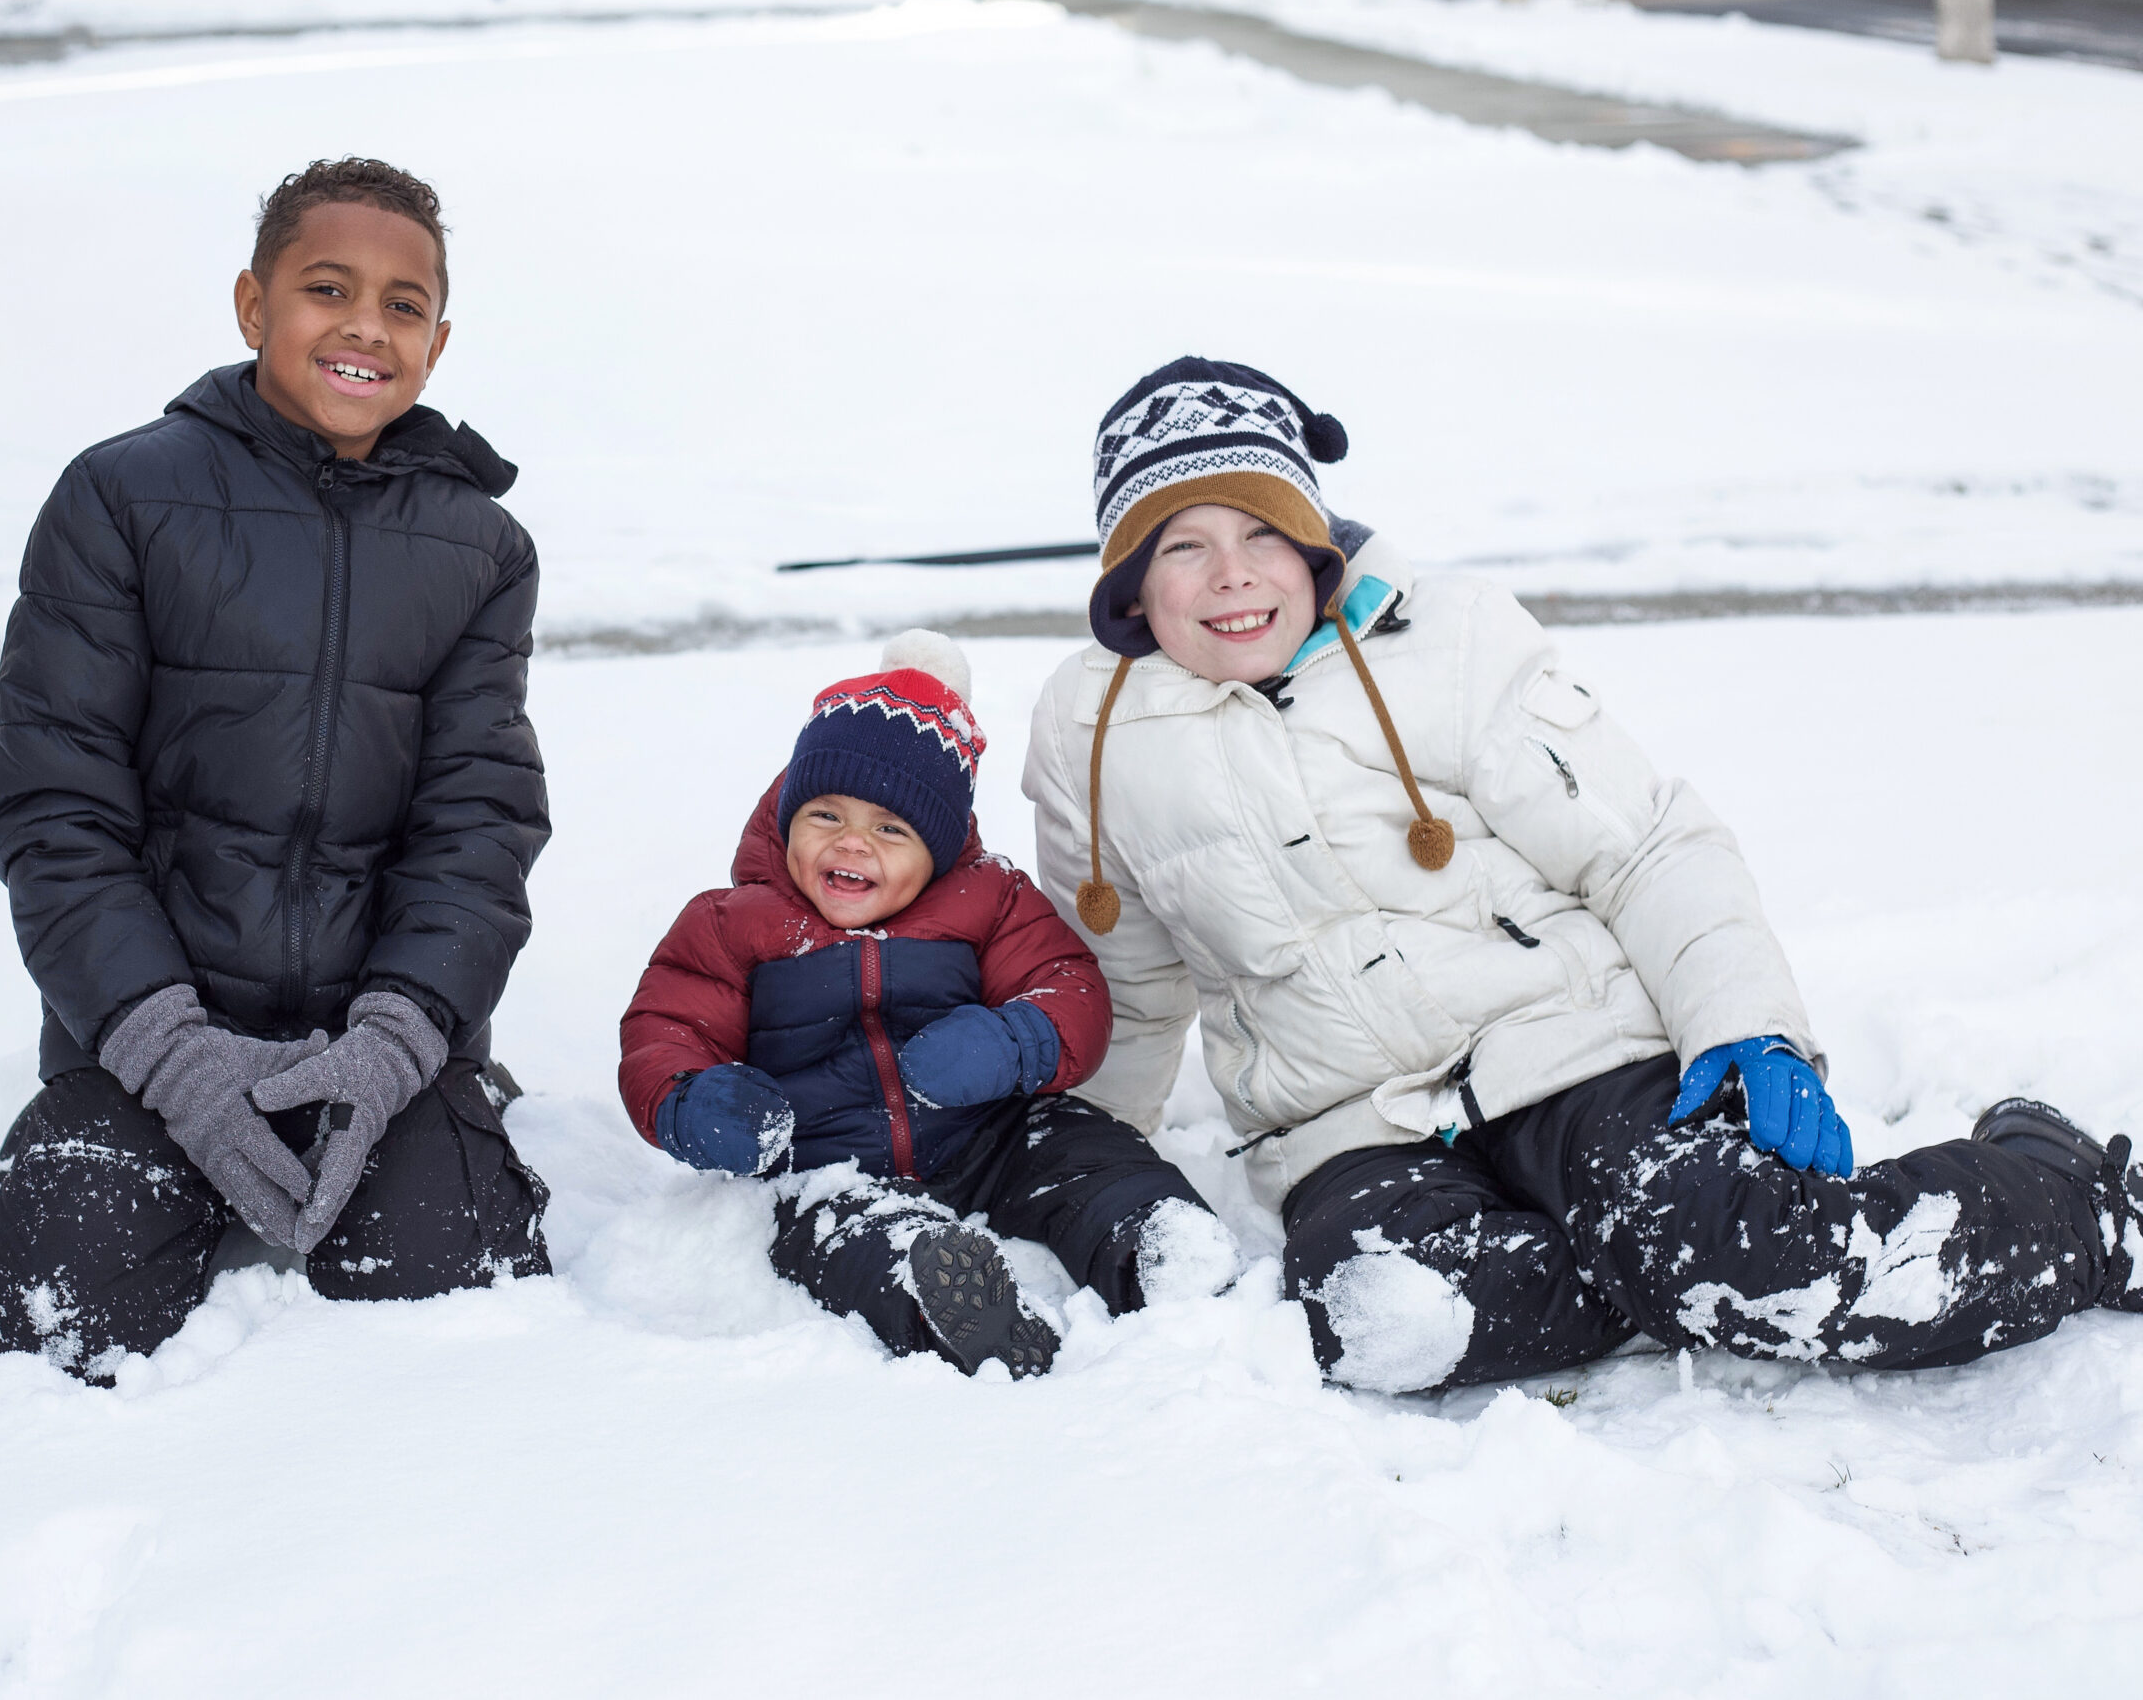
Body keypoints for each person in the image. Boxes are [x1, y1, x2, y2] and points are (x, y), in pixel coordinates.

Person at [1022, 354, 2141, 1394]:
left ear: (1311, 544)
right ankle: (1664, 1261)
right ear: (1130, 585)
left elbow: (1643, 843)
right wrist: (1066, 1157)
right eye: (1182, 546)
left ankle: (2075, 1199)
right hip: (1344, 1123)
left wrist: (1743, 1023)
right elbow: (1125, 983)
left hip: (1569, 1049)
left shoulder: (1446, 641)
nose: (1232, 577)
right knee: (1388, 1318)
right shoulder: (1096, 734)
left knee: (1763, 1260)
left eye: (1262, 534)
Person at [0, 158, 553, 1382]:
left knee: (458, 1291)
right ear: (250, 304)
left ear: (439, 341)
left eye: (402, 304)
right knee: (49, 1310)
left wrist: (398, 1037)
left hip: (371, 1041)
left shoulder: (479, 546)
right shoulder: (122, 496)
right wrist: (170, 1050)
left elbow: (476, 823)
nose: (363, 327)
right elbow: (53, 802)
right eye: (327, 287)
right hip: (150, 1028)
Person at [619, 631, 1241, 1377]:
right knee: (833, 1233)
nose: (852, 845)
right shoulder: (732, 921)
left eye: (890, 828)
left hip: (991, 1139)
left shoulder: (991, 901)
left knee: (1084, 1150)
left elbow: (1070, 989)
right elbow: (666, 1030)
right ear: (788, 816)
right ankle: (937, 1291)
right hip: (827, 1162)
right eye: (825, 816)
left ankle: (1160, 1246)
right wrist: (696, 1104)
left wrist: (1012, 1042)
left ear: (939, 848)